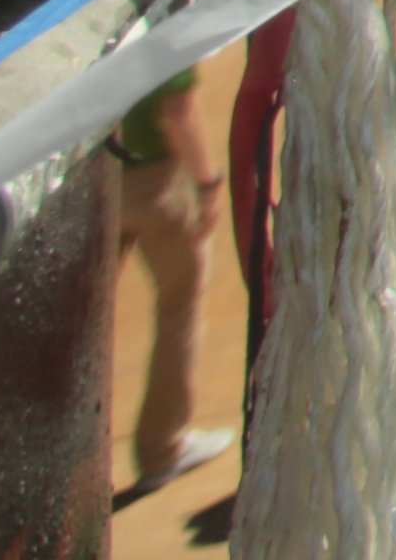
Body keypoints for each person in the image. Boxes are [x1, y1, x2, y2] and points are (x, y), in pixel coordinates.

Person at [108, 58, 231, 500]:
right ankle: (163, 448)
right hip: (157, 183)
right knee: (180, 306)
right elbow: (178, 109)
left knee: (86, 327)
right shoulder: (171, 14)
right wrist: (208, 183)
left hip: (101, 181)